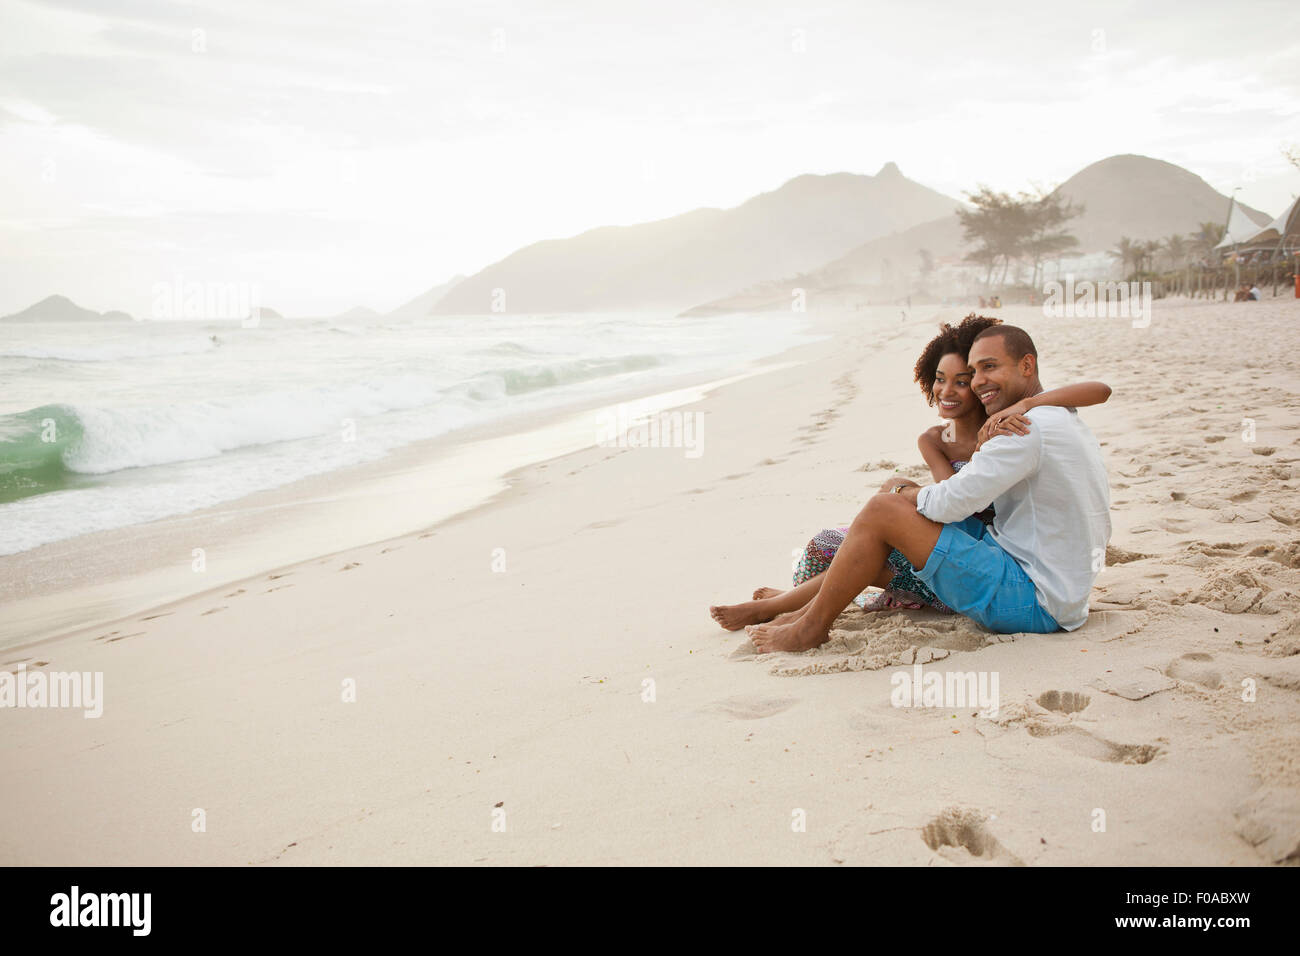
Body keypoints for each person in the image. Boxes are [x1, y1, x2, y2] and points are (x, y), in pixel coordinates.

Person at [709, 317, 1111, 630]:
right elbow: (950, 497)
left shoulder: (1018, 429)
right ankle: (800, 603)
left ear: (1024, 366)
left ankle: (804, 618)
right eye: (944, 379)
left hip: (1025, 585)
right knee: (852, 529)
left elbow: (951, 503)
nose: (956, 389)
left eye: (974, 376)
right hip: (1014, 560)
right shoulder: (1023, 424)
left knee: (876, 515)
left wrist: (901, 492)